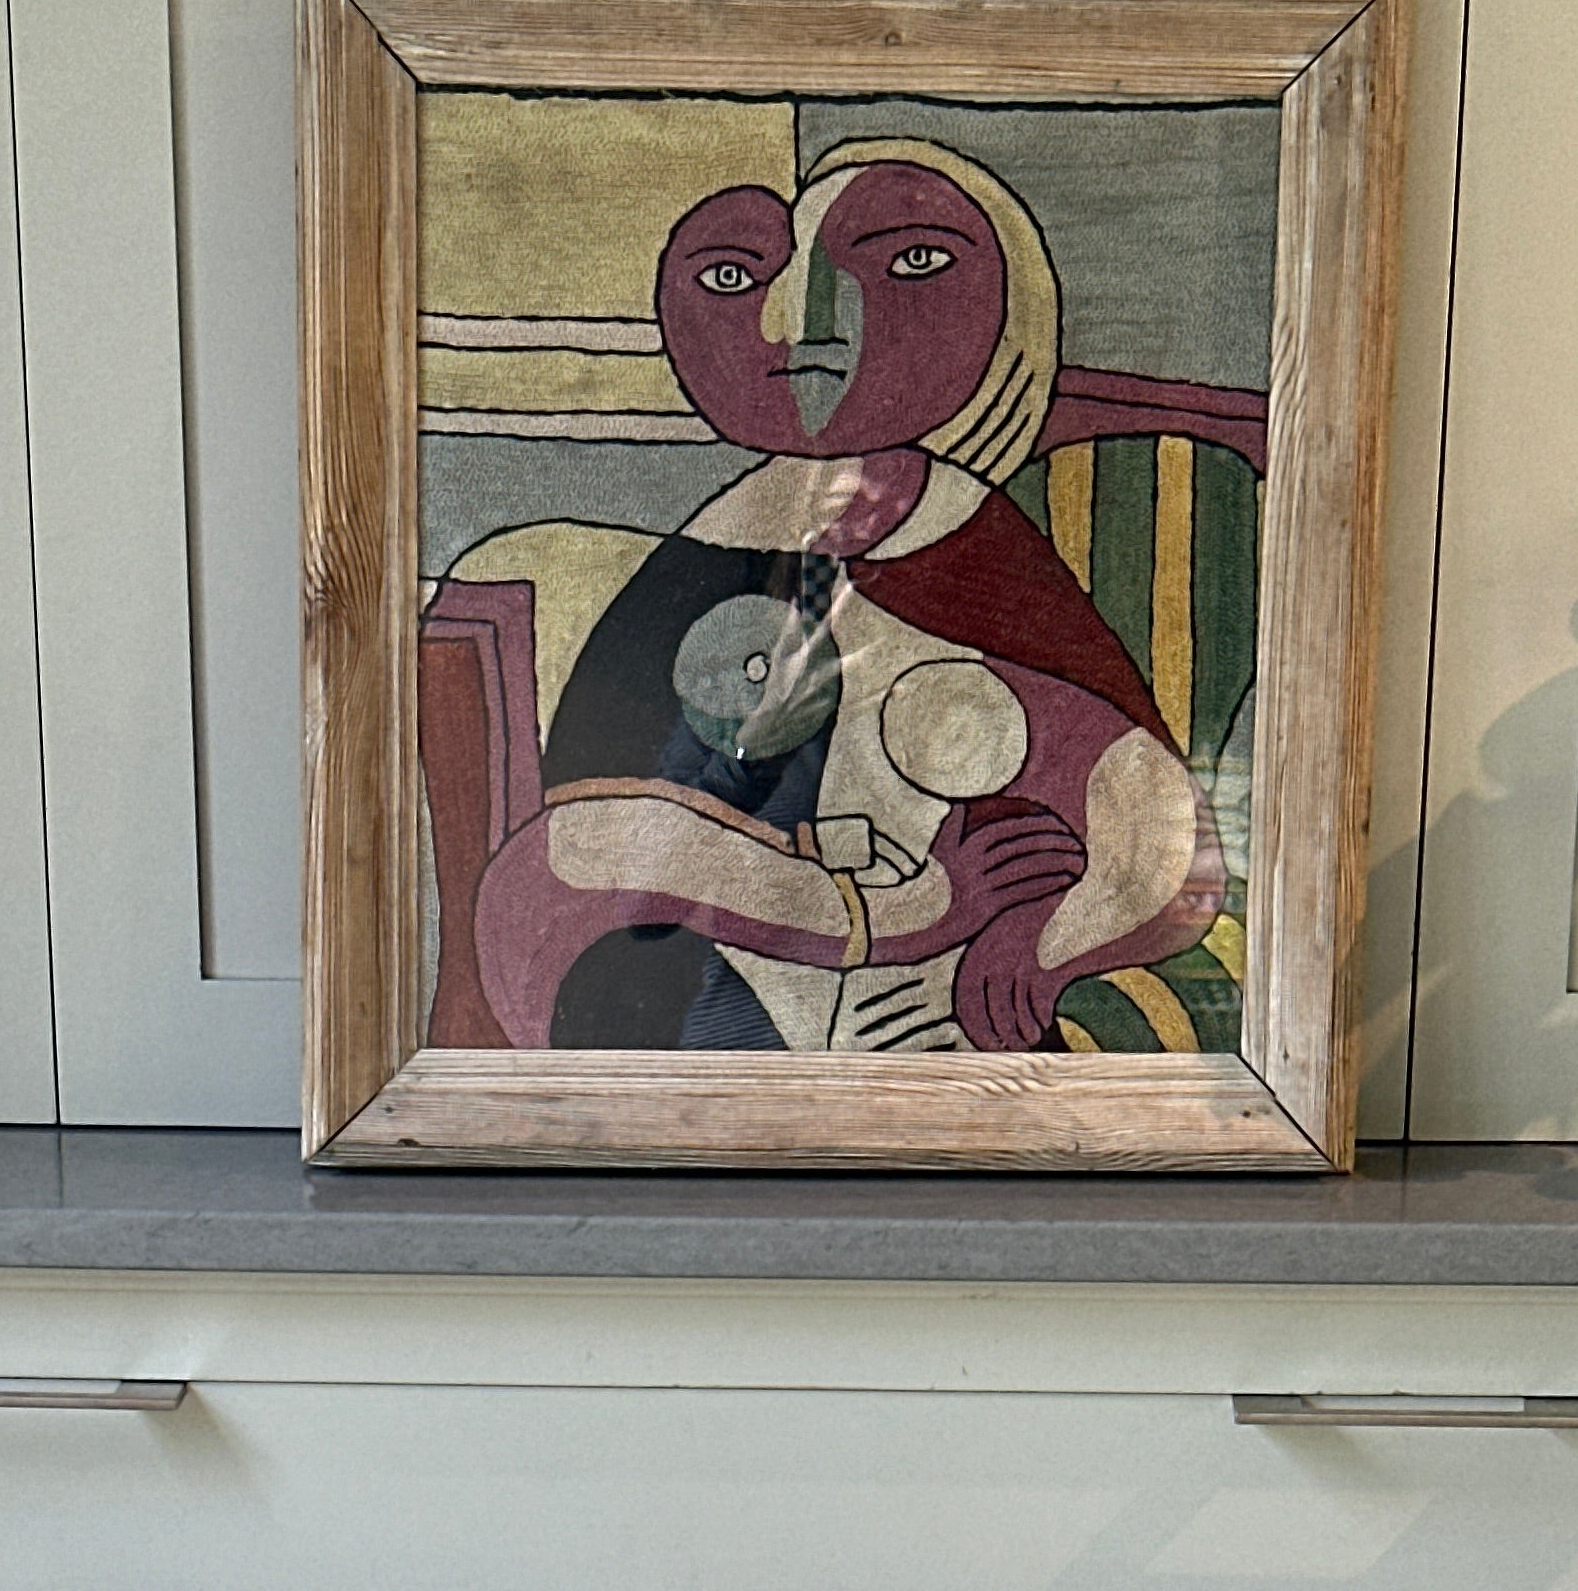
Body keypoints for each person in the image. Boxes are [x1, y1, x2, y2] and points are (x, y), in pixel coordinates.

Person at [462, 137, 1224, 1054]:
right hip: (721, 995)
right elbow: (582, 856)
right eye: (736, 278)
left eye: (912, 264)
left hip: (935, 1018)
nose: (802, 324)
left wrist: (1048, 942)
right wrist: (904, 909)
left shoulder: (978, 546)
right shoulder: (714, 553)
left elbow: (1155, 826)